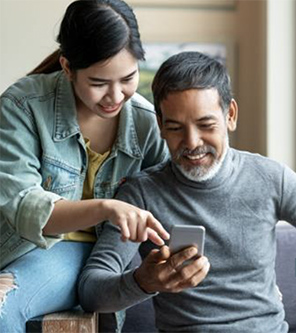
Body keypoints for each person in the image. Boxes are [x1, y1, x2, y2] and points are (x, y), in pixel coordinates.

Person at [78, 51, 296, 333]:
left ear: (230, 115)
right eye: (175, 128)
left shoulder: (269, 177)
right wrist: (144, 281)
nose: (192, 143)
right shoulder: (140, 195)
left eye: (206, 125)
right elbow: (92, 290)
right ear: (160, 126)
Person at [0, 1, 170, 331]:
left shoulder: (147, 124)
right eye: (98, 82)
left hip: (97, 256)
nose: (115, 96)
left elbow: (177, 198)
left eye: (128, 78)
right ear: (67, 67)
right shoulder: (23, 105)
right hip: (26, 245)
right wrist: (106, 208)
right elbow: (23, 206)